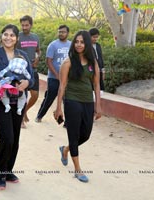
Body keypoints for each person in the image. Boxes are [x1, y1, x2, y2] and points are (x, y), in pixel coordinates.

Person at [0, 24, 34, 190]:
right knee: (7, 137)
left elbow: (32, 77)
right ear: (1, 36)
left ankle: (8, 171)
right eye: (5, 34)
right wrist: (9, 80)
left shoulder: (22, 55)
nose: (8, 38)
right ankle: (0, 173)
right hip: (1, 101)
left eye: (12, 35)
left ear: (17, 38)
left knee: (15, 138)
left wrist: (27, 82)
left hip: (19, 102)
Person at [54, 30, 102, 183]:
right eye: (76, 42)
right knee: (73, 134)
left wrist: (98, 105)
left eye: (82, 42)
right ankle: (78, 170)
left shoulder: (93, 62)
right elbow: (62, 86)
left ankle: (66, 149)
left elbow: (96, 84)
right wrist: (58, 108)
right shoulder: (68, 62)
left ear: (87, 44)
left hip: (88, 101)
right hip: (72, 101)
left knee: (86, 134)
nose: (79, 44)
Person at [35, 25, 71, 122]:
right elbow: (48, 61)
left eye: (63, 32)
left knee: (67, 100)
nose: (61, 33)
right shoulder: (53, 45)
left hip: (67, 78)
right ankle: (39, 116)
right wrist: (56, 75)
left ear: (68, 33)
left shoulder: (71, 45)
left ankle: (67, 122)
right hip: (53, 78)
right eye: (59, 32)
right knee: (49, 98)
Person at [17, 15, 41, 128]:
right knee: (23, 95)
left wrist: (37, 58)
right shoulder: (17, 37)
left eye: (26, 25)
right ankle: (20, 119)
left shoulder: (35, 37)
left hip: (33, 70)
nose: (24, 27)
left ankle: (24, 111)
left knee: (35, 95)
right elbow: (14, 52)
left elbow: (38, 51)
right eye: (22, 25)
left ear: (31, 25)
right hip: (21, 71)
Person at [89, 27, 105, 95]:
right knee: (92, 88)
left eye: (97, 37)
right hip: (91, 70)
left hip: (100, 69)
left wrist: (103, 70)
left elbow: (101, 58)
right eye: (94, 37)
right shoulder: (87, 46)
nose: (95, 39)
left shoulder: (98, 45)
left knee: (100, 88)